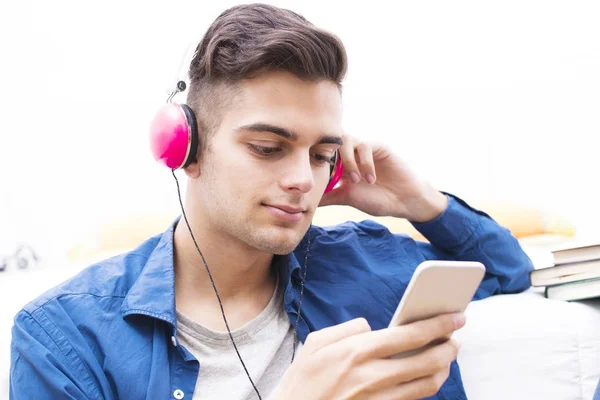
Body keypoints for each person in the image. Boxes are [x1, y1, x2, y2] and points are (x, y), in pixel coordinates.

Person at [9, 3, 534, 400]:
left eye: (322, 153)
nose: (302, 179)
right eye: (268, 148)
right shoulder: (64, 338)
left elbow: (508, 270)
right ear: (185, 150)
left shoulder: (367, 261)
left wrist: (417, 201)